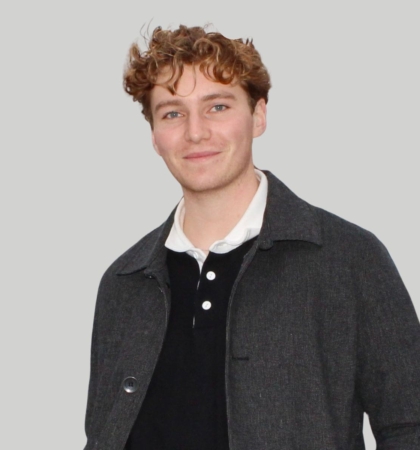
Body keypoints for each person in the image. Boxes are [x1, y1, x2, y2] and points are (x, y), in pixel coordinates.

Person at [83, 25, 420, 450]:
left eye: (218, 106)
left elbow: (410, 425)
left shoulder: (347, 259)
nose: (196, 132)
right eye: (172, 113)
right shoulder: (123, 283)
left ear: (258, 115)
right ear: (154, 135)